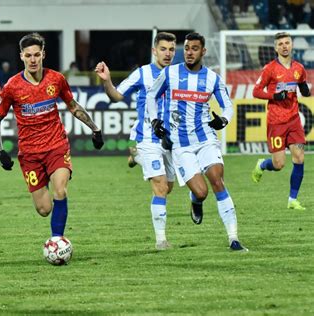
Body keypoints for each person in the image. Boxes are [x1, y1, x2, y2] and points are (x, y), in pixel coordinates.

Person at [0, 32, 104, 240]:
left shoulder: (56, 79)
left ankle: (57, 240)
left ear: (43, 54)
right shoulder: (12, 86)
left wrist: (95, 129)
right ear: (22, 56)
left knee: (60, 190)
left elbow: (73, 107)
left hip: (56, 146)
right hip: (30, 154)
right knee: (44, 209)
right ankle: (55, 230)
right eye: (28, 55)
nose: (33, 59)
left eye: (36, 55)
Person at [147, 32, 247, 251]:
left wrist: (223, 119)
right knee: (201, 192)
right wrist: (155, 120)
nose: (189, 52)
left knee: (218, 180)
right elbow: (151, 96)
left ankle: (234, 238)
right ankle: (196, 199)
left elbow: (227, 105)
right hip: (181, 145)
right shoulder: (170, 73)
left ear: (203, 51)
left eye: (194, 48)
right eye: (186, 47)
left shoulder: (212, 78)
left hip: (206, 139)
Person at [94, 32, 177, 251]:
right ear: (154, 51)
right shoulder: (142, 73)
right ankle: (161, 240)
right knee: (159, 187)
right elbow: (117, 96)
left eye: (171, 49)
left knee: (168, 187)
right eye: (163, 49)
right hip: (146, 137)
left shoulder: (179, 75)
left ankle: (134, 156)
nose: (167, 53)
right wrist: (107, 81)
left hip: (169, 140)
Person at [252, 32, 310, 210]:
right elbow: (256, 91)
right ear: (276, 48)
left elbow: (302, 85)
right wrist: (274, 96)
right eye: (281, 44)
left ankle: (293, 199)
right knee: (278, 164)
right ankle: (262, 164)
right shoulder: (270, 69)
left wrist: (305, 89)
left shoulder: (299, 68)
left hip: (293, 120)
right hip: (276, 122)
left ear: (291, 45)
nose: (285, 46)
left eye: (287, 43)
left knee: (299, 158)